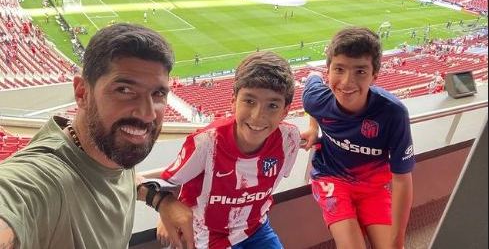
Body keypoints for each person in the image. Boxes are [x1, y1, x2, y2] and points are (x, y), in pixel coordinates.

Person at [0, 23, 194, 249]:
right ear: (82, 92)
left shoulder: (113, 148)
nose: (147, 113)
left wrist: (161, 200)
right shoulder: (42, 179)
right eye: (124, 90)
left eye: (158, 93)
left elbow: (116, 179)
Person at [151, 51, 302, 248]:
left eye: (272, 105)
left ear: (285, 111)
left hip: (256, 228)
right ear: (233, 101)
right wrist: (165, 205)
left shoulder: (289, 140)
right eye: (249, 101)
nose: (258, 116)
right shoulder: (207, 142)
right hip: (207, 234)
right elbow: (167, 181)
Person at [301, 27, 414, 249]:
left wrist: (398, 241)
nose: (346, 82)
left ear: (375, 76)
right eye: (339, 69)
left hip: (374, 187)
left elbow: (402, 179)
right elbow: (311, 84)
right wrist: (313, 127)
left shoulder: (393, 113)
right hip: (331, 178)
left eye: (360, 71)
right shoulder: (317, 98)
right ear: (328, 70)